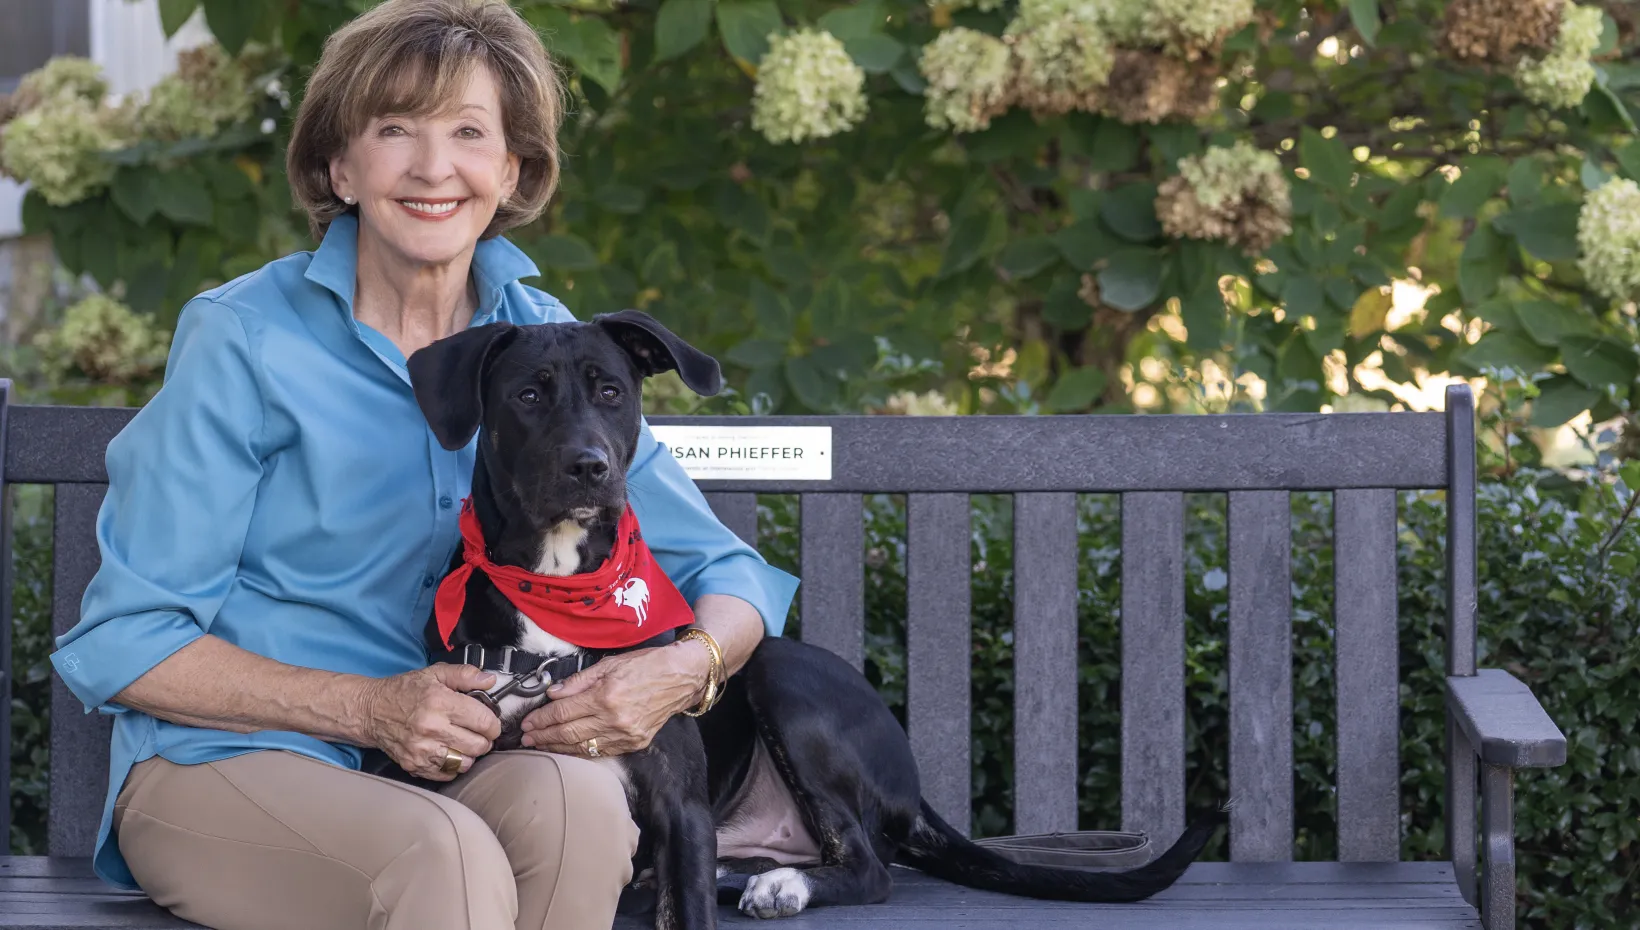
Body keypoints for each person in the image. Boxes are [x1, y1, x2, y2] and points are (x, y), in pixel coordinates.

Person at [48, 2, 799, 928]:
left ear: (513, 169)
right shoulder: (244, 338)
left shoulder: (543, 345)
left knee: (582, 809)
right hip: (232, 761)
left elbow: (726, 573)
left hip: (459, 762)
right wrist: (366, 708)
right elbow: (127, 640)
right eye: (394, 129)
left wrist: (682, 670)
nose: (434, 167)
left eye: (469, 133)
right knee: (441, 858)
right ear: (340, 167)